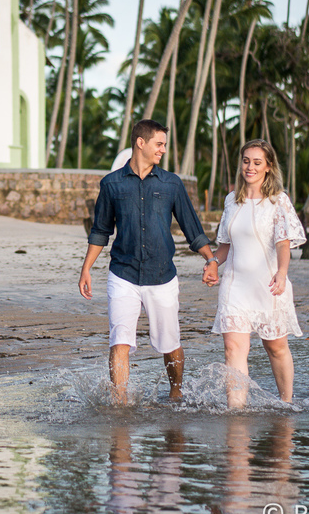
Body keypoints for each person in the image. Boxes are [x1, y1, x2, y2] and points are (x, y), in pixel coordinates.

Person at [79, 119, 217, 403]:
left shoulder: (171, 184)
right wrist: (86, 268)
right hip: (122, 274)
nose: (163, 150)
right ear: (140, 143)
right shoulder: (111, 184)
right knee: (120, 341)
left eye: (164, 145)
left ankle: (176, 392)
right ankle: (120, 402)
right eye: (159, 144)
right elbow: (101, 231)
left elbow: (192, 228)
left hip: (162, 275)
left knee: (170, 343)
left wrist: (211, 259)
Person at [203, 138, 306, 407]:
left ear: (268, 167)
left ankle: (286, 403)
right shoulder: (231, 201)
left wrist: (282, 273)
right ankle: (236, 412)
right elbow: (225, 245)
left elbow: (283, 243)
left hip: (269, 286)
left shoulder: (278, 201)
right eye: (246, 161)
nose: (250, 167)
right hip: (234, 287)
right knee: (233, 349)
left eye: (257, 162)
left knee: (275, 347)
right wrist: (212, 263)